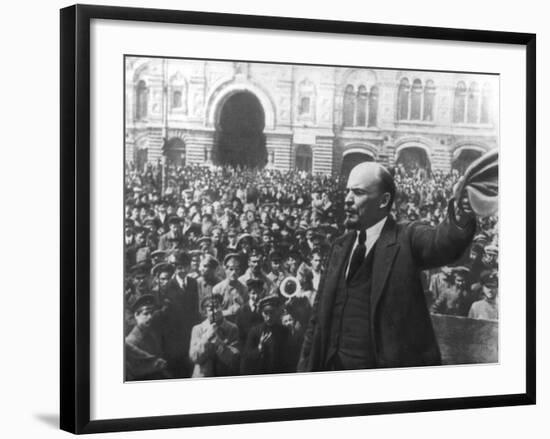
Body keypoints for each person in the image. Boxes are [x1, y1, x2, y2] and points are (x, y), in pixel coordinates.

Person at [298, 162, 476, 372]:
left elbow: (442, 242)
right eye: (348, 191)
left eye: (358, 192)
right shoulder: (339, 247)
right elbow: (317, 318)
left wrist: (462, 211)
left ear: (383, 201)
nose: (346, 199)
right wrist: (305, 368)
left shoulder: (407, 238)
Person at [162, 251, 200, 378]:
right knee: (178, 369)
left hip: (191, 332)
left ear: (189, 267)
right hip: (175, 336)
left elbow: (195, 308)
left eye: (185, 266)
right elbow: (167, 316)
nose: (182, 270)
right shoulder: (168, 287)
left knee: (190, 366)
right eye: (179, 267)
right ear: (175, 268)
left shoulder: (193, 283)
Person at [188, 295, 240, 377]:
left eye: (217, 307)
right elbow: (195, 357)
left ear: (221, 307)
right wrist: (206, 338)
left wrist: (219, 343)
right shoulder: (198, 329)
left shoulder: (232, 328)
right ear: (205, 313)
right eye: (211, 310)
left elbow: (234, 359)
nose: (215, 311)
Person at [240, 295, 292, 375]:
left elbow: (289, 357)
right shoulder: (254, 332)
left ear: (277, 312)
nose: (269, 317)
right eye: (266, 313)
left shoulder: (284, 331)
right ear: (261, 313)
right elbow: (246, 358)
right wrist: (260, 348)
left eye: (272, 312)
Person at [125, 295, 170, 380]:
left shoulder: (152, 334)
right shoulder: (131, 342)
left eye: (151, 313)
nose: (150, 317)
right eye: (145, 314)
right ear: (136, 315)